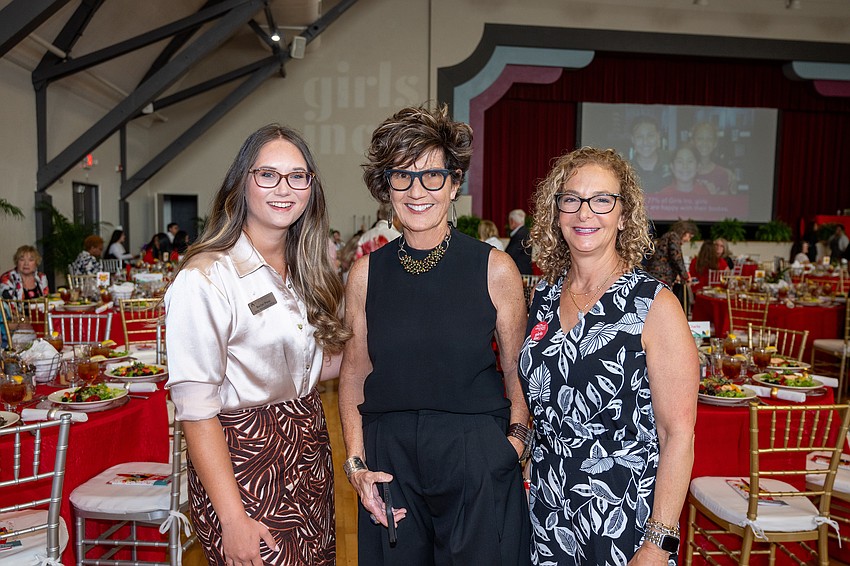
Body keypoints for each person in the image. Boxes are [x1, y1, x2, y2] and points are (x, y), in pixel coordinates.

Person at [338, 104, 532, 566]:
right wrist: (357, 467)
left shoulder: (495, 268)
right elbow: (353, 373)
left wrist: (514, 446)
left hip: (476, 453)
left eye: (432, 175)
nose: (416, 190)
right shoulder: (365, 274)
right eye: (402, 176)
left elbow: (517, 369)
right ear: (387, 187)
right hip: (390, 462)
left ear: (454, 182)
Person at [164, 124, 350, 565]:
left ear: (311, 187)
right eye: (268, 174)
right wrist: (232, 519)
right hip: (244, 462)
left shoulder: (304, 270)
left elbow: (310, 366)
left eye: (297, 176)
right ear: (242, 183)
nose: (284, 188)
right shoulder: (206, 277)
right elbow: (196, 410)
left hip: (306, 450)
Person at [521, 146, 698, 565]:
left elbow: (679, 435)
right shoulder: (543, 297)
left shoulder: (654, 305)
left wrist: (658, 542)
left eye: (602, 200)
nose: (585, 213)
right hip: (547, 508)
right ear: (556, 211)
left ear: (623, 215)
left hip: (625, 516)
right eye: (572, 199)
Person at [645, 220, 698, 310]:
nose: (688, 240)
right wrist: (685, 276)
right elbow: (676, 257)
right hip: (661, 277)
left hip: (657, 276)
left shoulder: (668, 236)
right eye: (689, 236)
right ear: (684, 232)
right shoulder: (673, 236)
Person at [690, 121, 737, 195]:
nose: (704, 142)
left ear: (715, 143)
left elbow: (727, 204)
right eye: (700, 138)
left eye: (709, 139)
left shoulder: (723, 173)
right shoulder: (684, 171)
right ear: (693, 142)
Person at [629, 115, 669, 194]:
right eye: (640, 137)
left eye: (650, 136)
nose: (645, 142)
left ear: (658, 136)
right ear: (632, 139)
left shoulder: (673, 163)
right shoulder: (625, 169)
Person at [506, 208, 533, 274]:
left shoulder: (520, 234)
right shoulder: (524, 232)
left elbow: (511, 254)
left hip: (520, 272)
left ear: (512, 221)